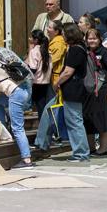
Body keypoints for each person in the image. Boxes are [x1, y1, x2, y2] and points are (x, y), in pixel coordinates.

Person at [34, 23, 90, 163]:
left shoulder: (76, 50)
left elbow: (68, 71)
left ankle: (81, 154)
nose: (62, 35)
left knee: (74, 122)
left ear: (70, 34)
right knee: (48, 111)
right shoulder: (78, 48)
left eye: (64, 33)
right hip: (68, 90)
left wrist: (57, 82)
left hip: (72, 90)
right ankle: (41, 145)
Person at [83, 28, 107, 157]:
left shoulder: (105, 53)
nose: (92, 41)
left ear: (100, 39)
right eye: (89, 38)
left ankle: (103, 149)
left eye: (94, 38)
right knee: (88, 120)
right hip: (89, 93)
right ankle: (91, 148)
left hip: (104, 91)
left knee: (104, 121)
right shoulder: (85, 52)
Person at [25, 30, 52, 122]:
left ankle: (43, 131)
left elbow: (33, 68)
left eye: (31, 37)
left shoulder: (34, 51)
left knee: (38, 107)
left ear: (36, 40)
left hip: (37, 83)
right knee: (44, 107)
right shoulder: (47, 51)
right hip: (46, 82)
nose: (29, 39)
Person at [47, 20, 67, 87]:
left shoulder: (58, 43)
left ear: (56, 32)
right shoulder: (54, 41)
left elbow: (52, 61)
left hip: (56, 77)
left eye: (49, 27)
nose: (47, 29)